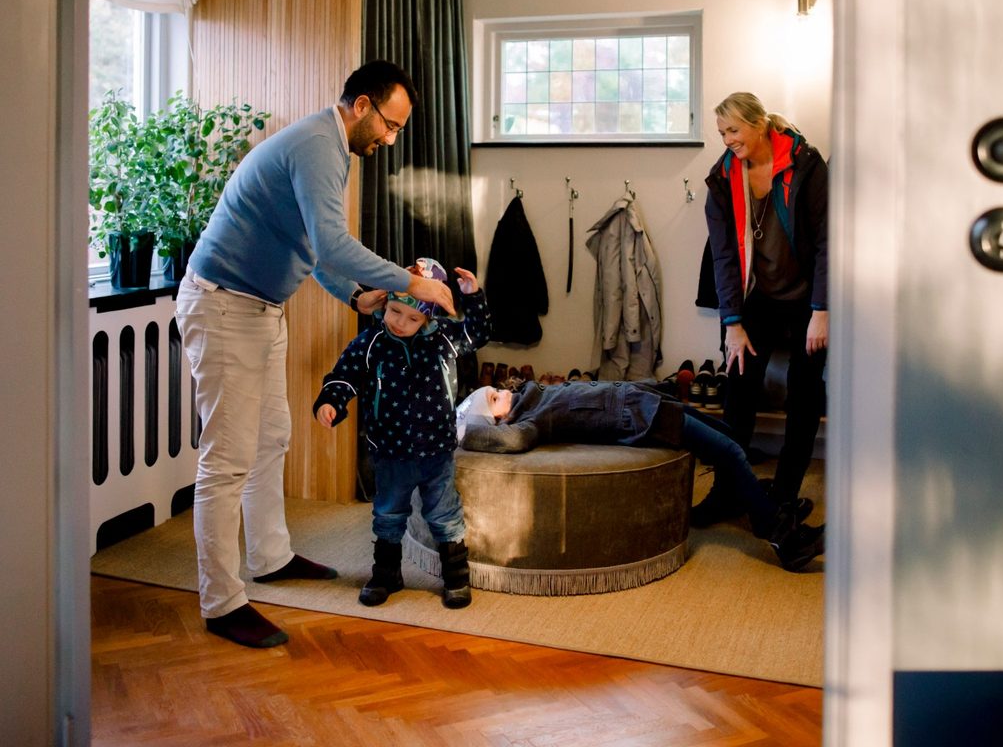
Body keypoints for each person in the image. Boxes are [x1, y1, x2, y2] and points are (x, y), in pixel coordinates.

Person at [175, 61, 455, 649]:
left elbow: (311, 247)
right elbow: (333, 243)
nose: (390, 138)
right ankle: (221, 602)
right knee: (226, 459)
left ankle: (271, 556)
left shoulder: (332, 148)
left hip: (261, 308)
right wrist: (416, 283)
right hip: (222, 305)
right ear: (361, 106)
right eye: (390, 125)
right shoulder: (318, 146)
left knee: (272, 437)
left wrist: (355, 293)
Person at [456, 379, 825, 572]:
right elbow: (514, 440)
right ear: (497, 421)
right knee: (729, 451)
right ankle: (781, 536)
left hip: (647, 400)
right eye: (493, 400)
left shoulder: (531, 397)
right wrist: (458, 432)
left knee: (729, 436)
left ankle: (748, 502)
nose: (502, 392)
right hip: (642, 417)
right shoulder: (530, 419)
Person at [313, 260, 490, 608]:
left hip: (436, 450)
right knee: (388, 514)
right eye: (395, 312)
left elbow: (478, 333)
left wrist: (473, 296)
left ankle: (456, 577)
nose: (401, 323)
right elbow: (344, 374)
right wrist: (331, 401)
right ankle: (386, 574)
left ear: (429, 318)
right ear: (385, 304)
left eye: (413, 319)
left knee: (443, 514)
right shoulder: (371, 342)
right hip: (389, 450)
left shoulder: (444, 340)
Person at [697, 91, 828, 526]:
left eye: (733, 130)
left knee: (804, 393)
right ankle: (727, 489)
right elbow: (724, 257)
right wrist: (731, 321)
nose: (727, 140)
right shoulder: (722, 178)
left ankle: (785, 494)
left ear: (759, 125)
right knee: (738, 387)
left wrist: (823, 310)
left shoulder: (806, 165)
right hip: (758, 299)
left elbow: (828, 240)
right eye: (721, 133)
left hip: (808, 297)